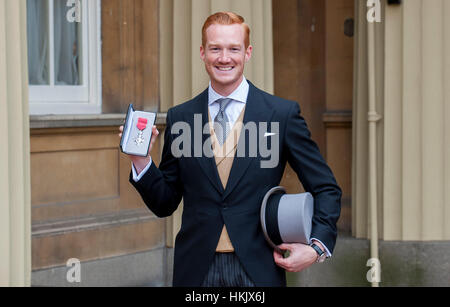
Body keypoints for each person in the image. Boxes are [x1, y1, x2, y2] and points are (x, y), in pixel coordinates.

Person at [119, 12, 341, 287]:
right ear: (202, 52)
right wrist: (141, 161)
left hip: (259, 270)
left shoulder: (281, 115)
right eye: (215, 48)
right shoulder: (181, 118)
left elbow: (326, 188)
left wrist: (317, 247)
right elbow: (165, 203)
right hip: (196, 271)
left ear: (247, 53)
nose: (224, 58)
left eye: (233, 48)